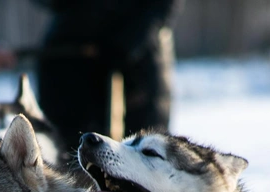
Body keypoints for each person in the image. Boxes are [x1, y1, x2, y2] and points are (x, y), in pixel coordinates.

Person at [33, 0, 179, 154]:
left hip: (142, 54)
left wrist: (133, 38)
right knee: (71, 152)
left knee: (148, 151)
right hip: (71, 54)